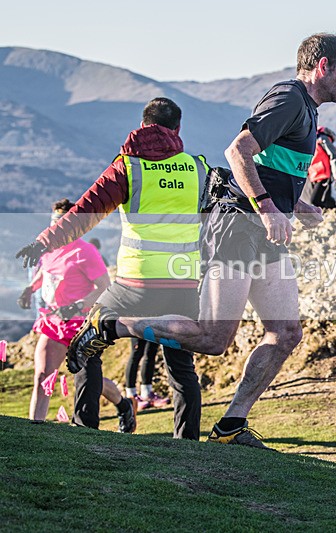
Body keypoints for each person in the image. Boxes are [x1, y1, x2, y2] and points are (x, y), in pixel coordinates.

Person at [63, 33, 336, 449]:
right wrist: (269, 208)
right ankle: (110, 324)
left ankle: (231, 424)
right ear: (322, 66)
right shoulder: (289, 98)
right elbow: (238, 151)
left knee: (286, 332)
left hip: (262, 229)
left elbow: (268, 165)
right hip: (237, 225)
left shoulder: (305, 109)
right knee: (214, 339)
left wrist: (297, 206)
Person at [16, 97, 207, 439]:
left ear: (144, 124)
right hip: (183, 283)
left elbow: (84, 212)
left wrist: (43, 242)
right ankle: (187, 444)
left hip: (135, 284)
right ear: (178, 129)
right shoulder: (198, 168)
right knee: (181, 367)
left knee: (85, 345)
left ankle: (86, 430)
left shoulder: (128, 167)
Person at [18, 199, 136, 432]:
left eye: (60, 224)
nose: (55, 229)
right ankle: (34, 433)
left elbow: (105, 287)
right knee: (43, 376)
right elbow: (45, 271)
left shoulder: (86, 252)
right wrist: (30, 289)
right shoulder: (49, 249)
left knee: (88, 382)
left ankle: (123, 405)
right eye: (53, 224)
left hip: (81, 326)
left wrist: (76, 306)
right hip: (53, 323)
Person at [300, 126, 336, 209]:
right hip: (316, 175)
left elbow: (333, 156)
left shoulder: (318, 139)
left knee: (315, 200)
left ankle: (331, 211)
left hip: (322, 174)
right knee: (324, 198)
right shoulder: (316, 139)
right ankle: (334, 210)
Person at [125, 339, 171, 410]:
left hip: (153, 327)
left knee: (151, 352)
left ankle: (147, 394)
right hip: (135, 328)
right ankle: (131, 396)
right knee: (136, 352)